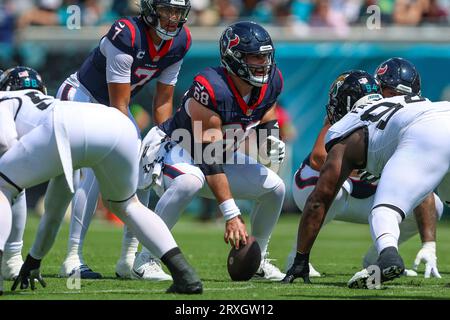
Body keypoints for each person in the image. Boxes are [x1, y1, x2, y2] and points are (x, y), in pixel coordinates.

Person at [0, 66, 202, 296]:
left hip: (64, 128)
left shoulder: (5, 98)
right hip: (118, 122)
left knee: (3, 186)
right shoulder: (50, 103)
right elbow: (54, 211)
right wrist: (34, 260)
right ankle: (184, 273)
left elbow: (6, 142)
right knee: (128, 205)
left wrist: (12, 173)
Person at [51, 0, 192, 280]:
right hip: (81, 98)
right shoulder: (127, 33)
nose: (174, 17)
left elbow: (163, 101)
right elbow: (118, 104)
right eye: (167, 9)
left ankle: (128, 261)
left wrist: (162, 139)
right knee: (91, 171)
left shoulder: (180, 41)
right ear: (151, 9)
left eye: (179, 11)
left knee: (146, 161)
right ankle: (72, 258)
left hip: (114, 107)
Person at [138, 21, 287, 281]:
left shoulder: (270, 82)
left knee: (275, 188)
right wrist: (231, 214)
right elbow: (210, 157)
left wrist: (269, 140)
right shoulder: (211, 87)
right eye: (255, 56)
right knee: (188, 182)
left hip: (216, 156)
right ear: (234, 58)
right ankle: (146, 259)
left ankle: (257, 259)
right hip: (173, 148)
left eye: (265, 56)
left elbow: (267, 112)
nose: (263, 63)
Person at [283, 69, 450, 289]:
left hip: (426, 132)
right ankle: (378, 260)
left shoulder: (346, 126)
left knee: (385, 209)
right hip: (444, 110)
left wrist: (300, 259)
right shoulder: (400, 102)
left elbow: (320, 199)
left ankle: (389, 256)